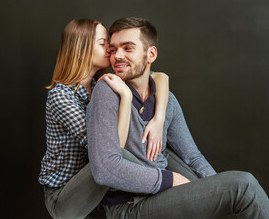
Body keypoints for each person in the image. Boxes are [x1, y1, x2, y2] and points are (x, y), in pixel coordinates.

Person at [86, 17, 269, 218]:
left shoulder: (167, 102)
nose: (117, 55)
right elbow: (104, 169)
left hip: (165, 197)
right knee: (244, 185)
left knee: (238, 196)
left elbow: (192, 157)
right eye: (114, 49)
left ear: (150, 54)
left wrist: (216, 193)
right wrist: (170, 179)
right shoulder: (106, 90)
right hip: (129, 207)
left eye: (127, 48)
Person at [38, 18, 171, 219]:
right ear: (82, 49)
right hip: (65, 198)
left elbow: (160, 77)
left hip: (100, 191)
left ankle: (185, 186)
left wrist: (159, 119)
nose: (111, 50)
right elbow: (110, 152)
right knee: (113, 156)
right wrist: (125, 98)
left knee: (162, 147)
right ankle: (170, 183)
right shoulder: (61, 97)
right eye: (103, 44)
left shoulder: (99, 85)